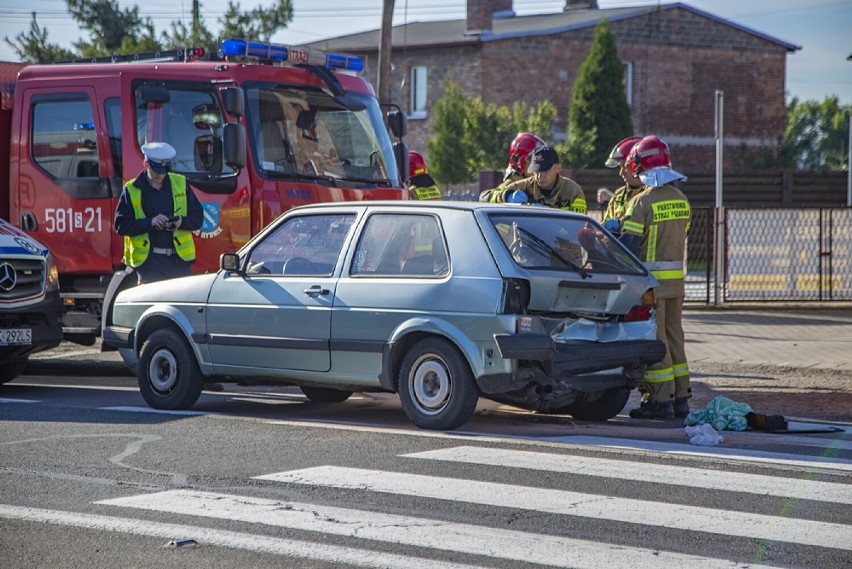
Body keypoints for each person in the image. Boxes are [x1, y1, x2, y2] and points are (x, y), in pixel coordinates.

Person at [619, 135, 692, 420]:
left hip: (652, 286)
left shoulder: (641, 203)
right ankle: (681, 397)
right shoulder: (682, 200)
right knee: (676, 337)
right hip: (677, 284)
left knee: (657, 340)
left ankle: (660, 400)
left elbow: (628, 246)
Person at [115, 142, 203, 285]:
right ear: (146, 164)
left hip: (179, 263)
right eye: (156, 170)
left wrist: (180, 222)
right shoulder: (132, 189)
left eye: (164, 170)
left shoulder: (180, 183)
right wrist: (150, 223)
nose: (160, 175)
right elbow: (121, 226)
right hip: (150, 265)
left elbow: (198, 218)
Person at [486, 146, 587, 214]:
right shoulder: (522, 187)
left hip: (562, 244)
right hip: (527, 244)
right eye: (536, 171)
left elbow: (579, 225)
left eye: (545, 171)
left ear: (558, 168)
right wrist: (506, 196)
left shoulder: (573, 191)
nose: (539, 176)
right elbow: (486, 197)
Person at [479, 132, 545, 202]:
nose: (540, 164)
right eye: (535, 159)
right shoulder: (512, 183)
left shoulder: (543, 182)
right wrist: (507, 196)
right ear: (520, 163)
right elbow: (484, 197)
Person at [601, 136, 644, 236]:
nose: (621, 173)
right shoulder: (619, 195)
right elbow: (604, 227)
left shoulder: (652, 195)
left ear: (636, 165)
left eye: (624, 166)